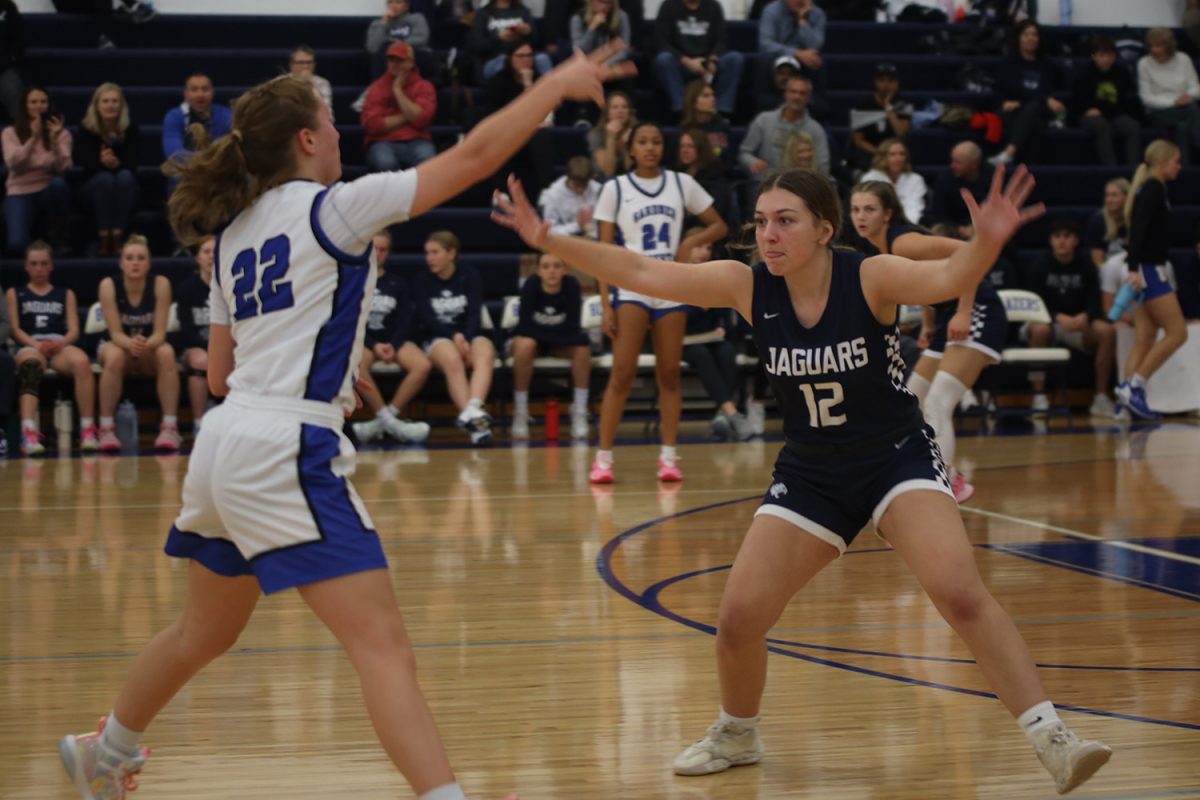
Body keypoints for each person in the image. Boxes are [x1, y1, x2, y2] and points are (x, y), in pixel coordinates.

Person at [59, 44, 627, 800]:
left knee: (205, 631)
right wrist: (554, 84)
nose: (339, 135)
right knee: (384, 649)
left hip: (225, 442)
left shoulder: (230, 235)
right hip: (284, 448)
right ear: (305, 138)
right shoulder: (336, 207)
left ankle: (109, 747)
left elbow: (223, 373)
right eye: (329, 123)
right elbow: (476, 154)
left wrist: (326, 367)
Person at [492, 163, 1113, 797]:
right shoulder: (746, 285)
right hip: (813, 470)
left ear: (825, 229)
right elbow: (646, 273)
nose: (769, 235)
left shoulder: (869, 276)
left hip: (893, 456)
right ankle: (738, 732)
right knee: (738, 618)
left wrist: (987, 241)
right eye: (761, 222)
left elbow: (949, 277)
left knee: (957, 591)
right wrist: (552, 241)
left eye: (785, 222)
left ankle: (1052, 736)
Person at [848, 180, 1005, 504]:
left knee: (938, 402)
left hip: (977, 309)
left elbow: (968, 252)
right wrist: (930, 324)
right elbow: (923, 282)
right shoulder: (879, 248)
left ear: (887, 213)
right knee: (911, 401)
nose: (861, 216)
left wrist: (963, 312)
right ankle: (928, 478)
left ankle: (946, 483)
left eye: (869, 209)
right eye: (855, 209)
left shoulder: (904, 242)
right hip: (948, 317)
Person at [589, 121, 727, 483]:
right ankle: (603, 458)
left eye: (655, 141)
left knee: (669, 373)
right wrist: (605, 303)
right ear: (630, 149)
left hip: (669, 284)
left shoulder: (681, 183)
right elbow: (602, 252)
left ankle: (668, 456)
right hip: (631, 285)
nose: (650, 147)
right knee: (622, 373)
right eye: (642, 142)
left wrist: (685, 247)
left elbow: (718, 224)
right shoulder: (615, 188)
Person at [1117, 139, 1189, 419]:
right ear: (1163, 162)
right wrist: (1134, 265)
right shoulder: (1154, 188)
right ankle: (1136, 385)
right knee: (1177, 333)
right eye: (1176, 161)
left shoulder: (1151, 187)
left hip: (1142, 267)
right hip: (1148, 268)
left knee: (1145, 336)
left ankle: (1127, 394)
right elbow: (1138, 230)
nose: (1179, 167)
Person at [5, 240, 97, 455]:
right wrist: (35, 344)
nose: (39, 268)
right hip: (30, 344)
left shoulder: (65, 294)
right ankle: (28, 433)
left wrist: (60, 343)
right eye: (34, 263)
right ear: (26, 266)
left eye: (43, 263)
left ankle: (87, 430)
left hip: (58, 345)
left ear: (51, 266)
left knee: (82, 362)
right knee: (30, 366)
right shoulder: (15, 293)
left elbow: (74, 329)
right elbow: (14, 329)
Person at [1021, 219, 1117, 418]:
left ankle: (1100, 396)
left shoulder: (1087, 265)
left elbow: (1095, 300)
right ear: (1051, 241)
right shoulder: (1039, 265)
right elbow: (1033, 302)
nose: (1062, 241)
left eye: (1067, 237)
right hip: (1047, 321)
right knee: (1040, 330)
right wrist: (1057, 317)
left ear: (1075, 240)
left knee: (1107, 331)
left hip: (1078, 324)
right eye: (1057, 237)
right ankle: (1039, 396)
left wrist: (1086, 316)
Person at [95, 235, 182, 453]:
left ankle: (170, 427)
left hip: (148, 347)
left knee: (167, 352)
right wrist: (131, 344)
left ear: (149, 263)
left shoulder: (161, 284)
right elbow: (115, 333)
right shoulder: (108, 285)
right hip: (116, 345)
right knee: (115, 354)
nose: (135, 262)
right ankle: (106, 428)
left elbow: (160, 333)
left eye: (141, 258)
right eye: (130, 258)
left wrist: (143, 345)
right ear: (121, 262)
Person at [351, 229, 434, 445]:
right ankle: (390, 421)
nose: (378, 253)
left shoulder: (398, 283)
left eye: (383, 249)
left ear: (388, 253)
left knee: (422, 365)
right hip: (366, 341)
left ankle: (383, 420)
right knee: (354, 364)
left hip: (393, 341)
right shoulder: (354, 281)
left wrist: (393, 344)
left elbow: (406, 318)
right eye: (374, 248)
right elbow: (352, 319)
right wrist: (373, 344)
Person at [415, 230, 497, 445]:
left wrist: (466, 339)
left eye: (435, 252)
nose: (429, 258)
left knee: (486, 353)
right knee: (453, 359)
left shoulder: (469, 274)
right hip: (437, 336)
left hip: (469, 333)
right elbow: (427, 318)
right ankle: (477, 429)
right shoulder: (422, 280)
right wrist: (454, 336)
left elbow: (474, 312)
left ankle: (472, 410)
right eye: (427, 253)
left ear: (451, 253)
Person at [510, 251, 592, 440]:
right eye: (546, 266)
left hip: (558, 343)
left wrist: (546, 334)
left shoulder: (571, 285)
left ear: (565, 269)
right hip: (535, 343)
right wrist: (554, 334)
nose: (552, 271)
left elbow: (573, 326)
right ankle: (520, 410)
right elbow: (524, 327)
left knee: (582, 350)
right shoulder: (531, 285)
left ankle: (579, 409)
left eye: (557, 266)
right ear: (538, 270)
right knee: (526, 345)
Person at [679, 231, 751, 440]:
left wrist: (722, 327)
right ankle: (730, 412)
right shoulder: (678, 273)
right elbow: (677, 317)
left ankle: (722, 415)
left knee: (727, 351)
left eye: (708, 248)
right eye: (699, 247)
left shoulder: (713, 275)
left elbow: (725, 315)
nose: (703, 252)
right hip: (684, 342)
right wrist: (697, 306)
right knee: (701, 354)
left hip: (710, 339)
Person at [2, 85, 71, 256]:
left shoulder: (62, 133)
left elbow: (64, 168)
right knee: (16, 243)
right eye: (33, 102)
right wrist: (33, 138)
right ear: (25, 106)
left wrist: (54, 143)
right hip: (19, 190)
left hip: (47, 189)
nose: (39, 106)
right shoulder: (10, 133)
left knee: (59, 185)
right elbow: (13, 163)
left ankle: (58, 239)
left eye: (43, 101)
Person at [74, 82, 139, 256]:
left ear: (121, 105)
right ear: (96, 105)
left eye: (114, 101)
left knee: (125, 176)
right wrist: (101, 162)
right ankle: (104, 237)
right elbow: (81, 162)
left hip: (123, 186)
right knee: (105, 179)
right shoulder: (86, 130)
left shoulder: (130, 129)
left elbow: (134, 162)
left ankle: (117, 235)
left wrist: (117, 164)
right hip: (92, 187)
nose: (110, 105)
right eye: (105, 101)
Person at [989, 20, 1067, 167]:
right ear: (1019, 38)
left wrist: (1026, 100)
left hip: (1037, 109)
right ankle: (1026, 169)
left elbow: (1044, 91)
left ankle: (1010, 152)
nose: (1031, 38)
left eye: (1034, 35)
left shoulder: (1047, 65)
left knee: (1034, 109)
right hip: (1013, 110)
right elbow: (1010, 89)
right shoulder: (1009, 63)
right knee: (1032, 124)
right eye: (1026, 35)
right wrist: (1041, 99)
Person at [483, 39, 555, 194]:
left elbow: (546, 115)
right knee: (502, 138)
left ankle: (546, 191)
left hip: (533, 132)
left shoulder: (541, 79)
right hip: (506, 132)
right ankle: (501, 192)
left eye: (529, 56)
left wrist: (528, 84)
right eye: (520, 56)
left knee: (540, 136)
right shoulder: (498, 82)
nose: (525, 60)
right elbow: (493, 117)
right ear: (510, 58)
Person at [653, 0, 744, 117]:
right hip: (681, 62)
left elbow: (721, 40)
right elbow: (661, 41)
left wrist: (712, 60)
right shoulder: (668, 6)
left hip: (708, 62)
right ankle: (682, 109)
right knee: (663, 59)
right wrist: (686, 61)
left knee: (735, 59)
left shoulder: (713, 6)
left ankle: (721, 111)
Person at [362, 40, 437, 173]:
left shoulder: (424, 87)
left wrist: (398, 91)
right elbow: (372, 125)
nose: (394, 64)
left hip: (417, 141)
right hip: (383, 142)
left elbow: (421, 119)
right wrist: (408, 115)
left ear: (411, 63)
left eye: (400, 60)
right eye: (391, 59)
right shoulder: (376, 88)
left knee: (427, 159)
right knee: (384, 162)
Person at [1072, 35, 1141, 167]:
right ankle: (1111, 170)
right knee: (1102, 125)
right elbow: (1081, 103)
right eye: (1102, 56)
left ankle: (1134, 169)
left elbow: (1123, 102)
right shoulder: (1083, 74)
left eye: (1110, 56)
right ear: (1094, 56)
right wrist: (1094, 110)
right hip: (1089, 116)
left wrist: (1102, 109)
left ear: (1114, 56)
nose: (1106, 60)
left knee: (1133, 126)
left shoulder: (1121, 73)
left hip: (1114, 115)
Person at [739, 75, 829, 177]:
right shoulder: (763, 120)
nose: (797, 97)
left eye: (802, 93)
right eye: (793, 92)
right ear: (785, 94)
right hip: (765, 182)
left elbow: (823, 166)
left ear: (809, 98)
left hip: (801, 184)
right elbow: (744, 153)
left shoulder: (816, 129)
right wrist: (752, 162)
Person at [1137, 28, 1200, 164]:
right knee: (1193, 110)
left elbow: (1196, 88)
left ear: (1168, 46)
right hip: (1159, 111)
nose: (1154, 50)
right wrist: (1174, 102)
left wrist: (1189, 96)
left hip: (1185, 106)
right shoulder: (1144, 64)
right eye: (1151, 46)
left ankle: (1183, 166)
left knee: (1182, 127)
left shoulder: (1184, 59)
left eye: (1158, 46)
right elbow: (1146, 99)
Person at [175, 236, 215, 435]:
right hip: (196, 346)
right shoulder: (187, 288)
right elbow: (186, 330)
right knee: (201, 360)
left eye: (215, 252)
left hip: (228, 347)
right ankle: (199, 423)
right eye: (206, 252)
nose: (211, 257)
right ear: (197, 258)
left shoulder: (230, 286)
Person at [161, 72, 233, 172]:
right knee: (176, 176)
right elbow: (174, 154)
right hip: (187, 170)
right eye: (194, 89)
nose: (200, 94)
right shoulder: (174, 116)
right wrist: (206, 162)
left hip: (220, 170)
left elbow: (232, 151)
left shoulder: (226, 115)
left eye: (205, 89)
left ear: (212, 92)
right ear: (185, 94)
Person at [756, 0, 825, 103]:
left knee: (816, 60)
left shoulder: (818, 14)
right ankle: (767, 103)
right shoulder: (771, 10)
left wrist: (803, 21)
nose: (799, 1)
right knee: (765, 58)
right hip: (778, 56)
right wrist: (796, 53)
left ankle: (815, 105)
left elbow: (815, 46)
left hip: (804, 60)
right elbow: (765, 44)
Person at [848, 63, 912, 173]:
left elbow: (901, 132)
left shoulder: (904, 105)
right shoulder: (862, 105)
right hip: (870, 152)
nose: (886, 85)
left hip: (895, 151)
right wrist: (880, 152)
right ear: (875, 82)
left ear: (897, 84)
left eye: (891, 81)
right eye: (882, 80)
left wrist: (889, 108)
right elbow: (858, 140)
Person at [469, 0, 551, 82]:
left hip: (524, 54)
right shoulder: (483, 13)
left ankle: (549, 92)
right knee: (503, 62)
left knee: (542, 58)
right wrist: (498, 37)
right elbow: (477, 45)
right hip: (496, 57)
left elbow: (536, 41)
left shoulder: (523, 11)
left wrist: (528, 32)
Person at [928, 141, 993, 234]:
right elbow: (939, 215)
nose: (952, 165)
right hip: (954, 230)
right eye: (952, 160)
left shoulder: (992, 178)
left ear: (974, 164)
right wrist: (961, 229)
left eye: (958, 162)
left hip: (987, 230)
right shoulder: (945, 179)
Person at [860, 137, 927, 224]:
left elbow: (915, 208)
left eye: (902, 154)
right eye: (892, 154)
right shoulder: (870, 178)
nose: (898, 158)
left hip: (908, 226)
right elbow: (869, 208)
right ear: (883, 157)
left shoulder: (916, 179)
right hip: (876, 225)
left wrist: (906, 227)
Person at [678, 125, 735, 225]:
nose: (685, 151)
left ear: (702, 148)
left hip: (706, 228)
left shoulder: (716, 175)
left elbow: (716, 213)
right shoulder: (676, 174)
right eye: (682, 146)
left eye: (690, 146)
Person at [537, 155, 602, 238]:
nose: (581, 190)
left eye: (585, 185)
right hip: (567, 241)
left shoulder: (597, 189)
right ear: (568, 177)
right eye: (577, 185)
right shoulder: (553, 195)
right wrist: (577, 225)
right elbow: (550, 230)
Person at [365, 0, 432, 78]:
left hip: (412, 56)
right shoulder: (377, 24)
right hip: (386, 59)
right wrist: (383, 24)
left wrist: (398, 44)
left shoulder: (416, 19)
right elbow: (372, 47)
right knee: (381, 54)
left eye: (398, 2)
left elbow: (422, 40)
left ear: (406, 6)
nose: (394, 6)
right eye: (390, 2)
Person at [680, 80, 735, 171]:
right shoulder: (684, 129)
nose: (712, 99)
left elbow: (730, 160)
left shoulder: (722, 126)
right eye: (706, 96)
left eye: (712, 95)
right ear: (693, 102)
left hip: (719, 180)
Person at [1084, 177, 1129, 268]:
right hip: (1107, 272)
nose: (1109, 200)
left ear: (1127, 197)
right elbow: (1097, 262)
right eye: (1107, 195)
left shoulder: (1135, 220)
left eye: (1114, 195)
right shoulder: (1098, 221)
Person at [587, 89, 634, 177]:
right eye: (615, 107)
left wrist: (629, 143)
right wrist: (610, 138)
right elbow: (608, 172)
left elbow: (629, 169)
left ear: (629, 112)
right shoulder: (595, 135)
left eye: (624, 107)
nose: (620, 111)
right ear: (607, 113)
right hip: (602, 182)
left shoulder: (636, 131)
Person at [288, 45, 334, 123]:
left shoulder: (322, 84)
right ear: (291, 65)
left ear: (314, 64)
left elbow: (327, 115)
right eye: (301, 62)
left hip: (314, 126)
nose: (305, 66)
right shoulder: (279, 82)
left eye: (309, 62)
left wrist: (307, 84)